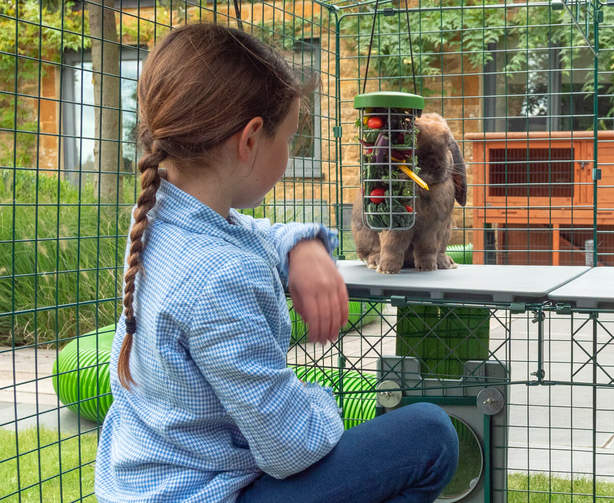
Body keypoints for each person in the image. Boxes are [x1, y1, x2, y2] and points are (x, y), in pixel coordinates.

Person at [94, 23, 459, 503]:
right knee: (431, 434)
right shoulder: (220, 276)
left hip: (146, 481)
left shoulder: (160, 215)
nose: (290, 153)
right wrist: (321, 398)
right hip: (209, 493)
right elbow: (290, 448)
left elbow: (253, 233)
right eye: (290, 140)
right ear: (249, 140)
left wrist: (302, 245)